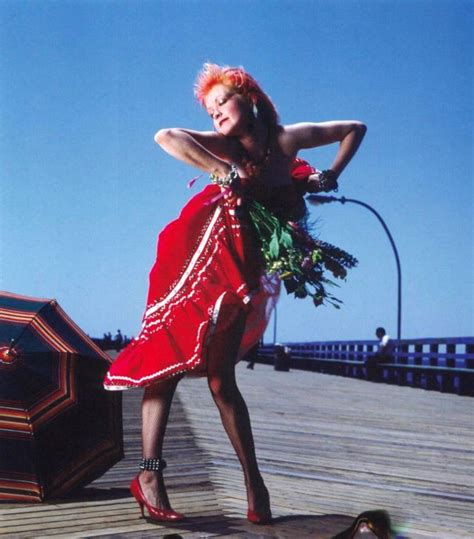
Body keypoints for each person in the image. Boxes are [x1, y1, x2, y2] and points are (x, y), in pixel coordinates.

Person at [104, 63, 366, 524]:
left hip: (239, 269)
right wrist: (220, 169)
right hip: (193, 259)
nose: (217, 113)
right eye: (210, 110)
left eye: (223, 101)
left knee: (223, 379)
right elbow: (166, 136)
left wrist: (330, 174)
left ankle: (254, 485)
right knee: (165, 364)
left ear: (248, 96)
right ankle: (150, 476)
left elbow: (354, 128)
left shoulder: (287, 140)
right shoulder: (224, 145)